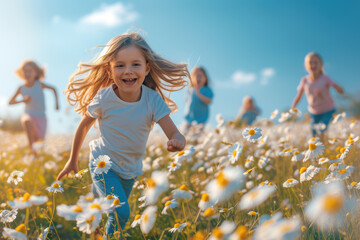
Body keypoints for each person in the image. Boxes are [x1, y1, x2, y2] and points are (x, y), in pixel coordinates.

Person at [56, 32, 189, 236]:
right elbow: (83, 126)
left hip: (129, 171)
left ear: (147, 68)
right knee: (121, 212)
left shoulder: (152, 100)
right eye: (120, 65)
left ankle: (95, 209)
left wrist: (178, 141)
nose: (128, 71)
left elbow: (174, 132)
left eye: (135, 64)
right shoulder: (104, 98)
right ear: (110, 70)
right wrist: (72, 160)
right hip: (102, 164)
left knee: (108, 209)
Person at [8, 60, 59, 155]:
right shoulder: (21, 88)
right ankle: (32, 152)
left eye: (30, 71)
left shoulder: (39, 85)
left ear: (36, 73)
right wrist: (22, 100)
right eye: (25, 71)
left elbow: (54, 89)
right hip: (29, 114)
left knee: (38, 140)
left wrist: (56, 104)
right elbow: (10, 102)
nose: (27, 73)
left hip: (41, 117)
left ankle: (35, 155)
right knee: (27, 121)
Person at [291, 52, 344, 137]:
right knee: (314, 134)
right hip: (314, 112)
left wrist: (339, 89)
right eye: (310, 63)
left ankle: (324, 146)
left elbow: (337, 87)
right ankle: (320, 148)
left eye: (316, 62)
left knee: (322, 129)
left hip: (328, 110)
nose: (313, 65)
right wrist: (292, 108)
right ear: (306, 66)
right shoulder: (304, 80)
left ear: (321, 65)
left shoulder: (325, 78)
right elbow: (299, 96)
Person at [183, 66, 214, 132]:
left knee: (197, 136)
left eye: (200, 76)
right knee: (184, 134)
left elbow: (209, 101)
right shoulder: (190, 89)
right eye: (195, 76)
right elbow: (186, 101)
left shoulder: (206, 89)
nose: (197, 78)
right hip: (188, 118)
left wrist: (199, 94)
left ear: (205, 78)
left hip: (201, 119)